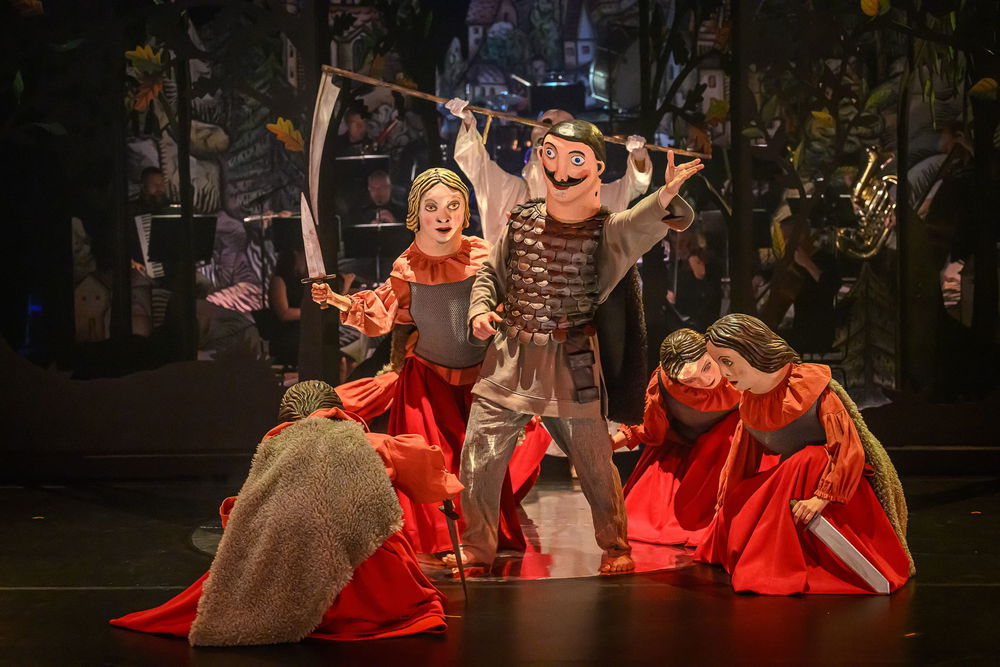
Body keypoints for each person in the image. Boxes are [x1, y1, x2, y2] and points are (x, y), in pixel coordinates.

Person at [450, 120, 702, 576]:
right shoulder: (522, 221)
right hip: (511, 357)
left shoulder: (607, 231)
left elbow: (639, 223)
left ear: (598, 168)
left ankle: (615, 544)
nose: (561, 169)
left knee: (594, 460)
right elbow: (492, 273)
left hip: (574, 363)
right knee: (479, 453)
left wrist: (664, 196)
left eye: (575, 159)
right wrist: (480, 309)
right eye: (551, 155)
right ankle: (477, 545)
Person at [110, 381, 461, 644]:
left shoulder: (275, 448)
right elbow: (426, 469)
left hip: (293, 561)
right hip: (362, 566)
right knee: (380, 535)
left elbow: (248, 506)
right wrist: (444, 488)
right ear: (336, 409)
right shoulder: (370, 442)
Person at [311, 167, 526, 559]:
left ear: (464, 211)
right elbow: (380, 310)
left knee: (478, 465)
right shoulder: (406, 268)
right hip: (426, 382)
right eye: (432, 207)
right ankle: (441, 540)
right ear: (416, 213)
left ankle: (480, 539)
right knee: (431, 462)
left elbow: (512, 303)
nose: (443, 216)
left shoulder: (483, 256)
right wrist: (338, 300)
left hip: (479, 382)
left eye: (452, 206)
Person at [695, 313, 914, 595]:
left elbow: (848, 448)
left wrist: (822, 497)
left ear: (752, 350)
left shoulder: (808, 385)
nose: (723, 372)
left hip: (836, 489)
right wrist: (725, 505)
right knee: (742, 498)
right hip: (793, 482)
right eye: (718, 363)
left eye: (727, 361)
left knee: (809, 458)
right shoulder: (750, 400)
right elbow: (740, 461)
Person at [614, 328, 765, 547]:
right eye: (690, 379)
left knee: (730, 432)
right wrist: (611, 443)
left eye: (706, 367)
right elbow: (645, 426)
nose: (704, 380)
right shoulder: (665, 384)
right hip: (684, 449)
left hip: (734, 451)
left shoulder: (738, 365)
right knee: (646, 517)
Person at [446, 99, 653, 243]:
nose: (552, 129)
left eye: (563, 126)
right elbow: (476, 165)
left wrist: (639, 156)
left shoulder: (591, 195)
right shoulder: (513, 191)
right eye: (546, 123)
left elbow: (634, 185)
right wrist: (467, 121)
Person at [666, 246, 723, 334]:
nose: (680, 247)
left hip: (702, 325)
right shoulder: (675, 268)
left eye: (685, 243)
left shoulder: (711, 270)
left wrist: (700, 277)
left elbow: (710, 303)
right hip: (682, 324)